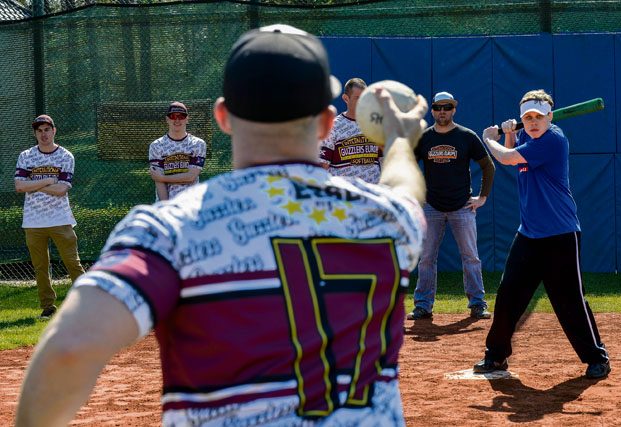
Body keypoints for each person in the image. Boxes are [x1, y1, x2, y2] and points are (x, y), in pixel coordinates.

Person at [16, 24, 430, 426]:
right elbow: (406, 188)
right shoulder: (387, 217)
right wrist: (396, 140)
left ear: (223, 117)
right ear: (325, 122)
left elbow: (69, 350)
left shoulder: (168, 229)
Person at [473, 89, 610, 379]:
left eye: (538, 117)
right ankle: (496, 356)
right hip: (529, 235)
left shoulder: (553, 139)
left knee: (569, 300)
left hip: (560, 234)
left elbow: (509, 159)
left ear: (550, 116)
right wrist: (511, 133)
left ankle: (597, 357)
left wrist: (489, 139)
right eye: (528, 118)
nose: (533, 122)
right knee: (509, 295)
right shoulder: (529, 137)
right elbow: (516, 159)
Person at [407, 91, 495, 321]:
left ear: (454, 109)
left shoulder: (466, 136)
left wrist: (482, 197)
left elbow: (488, 166)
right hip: (431, 206)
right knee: (426, 257)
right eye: (438, 107)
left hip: (462, 206)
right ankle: (423, 305)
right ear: (433, 110)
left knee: (471, 257)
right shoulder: (424, 138)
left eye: (447, 107)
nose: (442, 111)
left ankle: (477, 303)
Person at [14, 115, 85, 320]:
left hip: (60, 219)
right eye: (39, 130)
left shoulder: (65, 156)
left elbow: (62, 190)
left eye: (47, 129)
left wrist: (33, 183)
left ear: (54, 130)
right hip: (33, 221)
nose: (43, 134)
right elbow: (19, 186)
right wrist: (47, 180)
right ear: (35, 133)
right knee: (40, 266)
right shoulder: (26, 156)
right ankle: (48, 306)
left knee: (73, 263)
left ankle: (87, 303)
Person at [319, 77, 384, 183]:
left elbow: (385, 162)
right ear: (346, 98)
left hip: (373, 195)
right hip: (345, 196)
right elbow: (323, 165)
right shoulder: (333, 126)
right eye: (357, 98)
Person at [148, 101, 207, 200]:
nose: (177, 120)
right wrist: (166, 207)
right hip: (165, 204)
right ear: (167, 119)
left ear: (187, 119)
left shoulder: (198, 144)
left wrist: (162, 177)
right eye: (173, 116)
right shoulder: (156, 146)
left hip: (191, 205)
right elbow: (159, 182)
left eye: (181, 116)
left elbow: (191, 177)